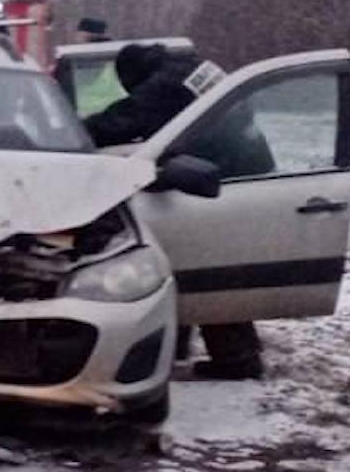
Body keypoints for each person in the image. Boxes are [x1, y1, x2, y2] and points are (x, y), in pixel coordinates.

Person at [85, 45, 267, 380]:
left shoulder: (164, 84)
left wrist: (74, 135)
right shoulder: (191, 64)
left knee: (207, 263)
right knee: (213, 265)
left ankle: (236, 359)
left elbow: (124, 119)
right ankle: (229, 354)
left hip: (220, 176)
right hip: (244, 164)